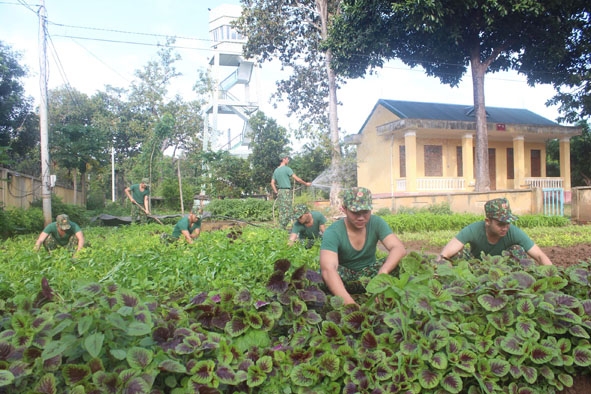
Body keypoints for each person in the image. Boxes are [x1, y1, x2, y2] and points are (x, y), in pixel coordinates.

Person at [320, 187, 407, 305]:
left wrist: (383, 272)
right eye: (355, 213)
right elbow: (328, 269)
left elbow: (398, 248)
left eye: (365, 212)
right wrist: (350, 305)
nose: (361, 217)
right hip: (345, 278)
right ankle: (344, 296)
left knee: (399, 262)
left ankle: (384, 294)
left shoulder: (376, 222)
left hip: (371, 276)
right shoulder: (333, 232)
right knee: (323, 274)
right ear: (344, 209)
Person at [437, 197, 553, 265]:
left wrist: (554, 276)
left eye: (508, 223)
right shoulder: (474, 230)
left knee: (517, 250)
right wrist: (438, 272)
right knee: (457, 253)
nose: (505, 228)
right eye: (500, 224)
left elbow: (539, 256)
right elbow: (445, 254)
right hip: (475, 270)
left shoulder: (513, 232)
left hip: (504, 274)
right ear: (488, 221)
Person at [271, 153, 311, 230]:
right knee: (288, 211)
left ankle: (282, 228)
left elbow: (272, 183)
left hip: (280, 192)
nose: (288, 160)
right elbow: (297, 179)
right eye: (287, 158)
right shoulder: (287, 169)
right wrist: (306, 184)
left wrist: (276, 192)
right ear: (283, 159)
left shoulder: (276, 170)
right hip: (286, 192)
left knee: (282, 211)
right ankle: (283, 228)